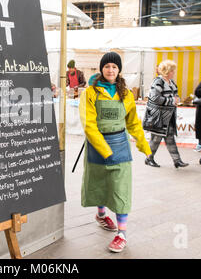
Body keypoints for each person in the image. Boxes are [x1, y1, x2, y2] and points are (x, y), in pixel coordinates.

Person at [78, 51, 152, 253]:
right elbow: (89, 125)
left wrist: (144, 146)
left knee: (120, 188)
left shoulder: (126, 94)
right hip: (97, 145)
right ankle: (101, 215)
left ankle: (122, 234)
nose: (110, 70)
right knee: (99, 184)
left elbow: (133, 123)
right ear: (101, 69)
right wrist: (104, 149)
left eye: (114, 67)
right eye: (107, 66)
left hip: (120, 145)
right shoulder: (90, 93)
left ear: (119, 70)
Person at [144, 60, 189, 168]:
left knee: (170, 138)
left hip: (169, 116)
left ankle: (177, 160)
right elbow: (155, 98)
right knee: (156, 139)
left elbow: (175, 94)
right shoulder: (158, 82)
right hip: (158, 116)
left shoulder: (171, 82)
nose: (174, 72)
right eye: (172, 71)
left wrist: (176, 98)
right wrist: (172, 101)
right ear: (167, 71)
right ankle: (148, 158)